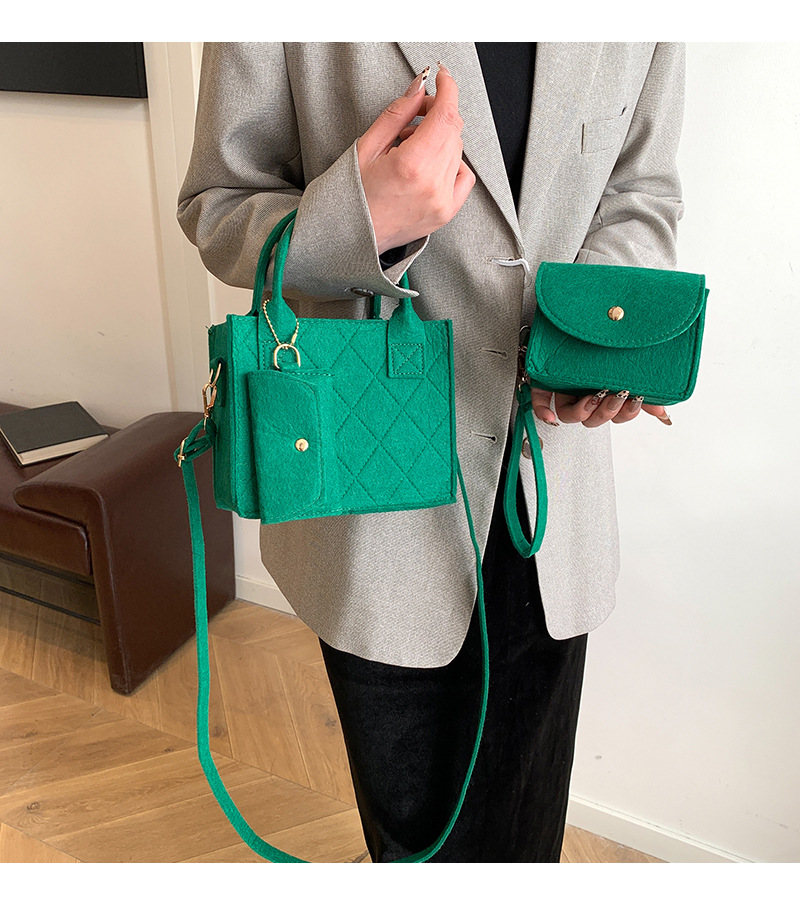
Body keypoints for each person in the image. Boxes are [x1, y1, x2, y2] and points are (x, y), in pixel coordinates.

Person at [177, 42, 685, 863]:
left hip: (554, 496)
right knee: (410, 835)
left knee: (527, 825)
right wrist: (357, 225)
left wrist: (586, 339)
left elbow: (641, 190)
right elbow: (219, 202)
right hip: (370, 495)